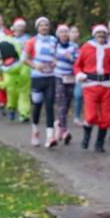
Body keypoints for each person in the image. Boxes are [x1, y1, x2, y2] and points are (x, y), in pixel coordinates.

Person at [75, 24, 110, 153]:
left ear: (106, 35)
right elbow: (77, 65)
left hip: (107, 86)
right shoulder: (86, 47)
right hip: (90, 85)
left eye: (103, 33)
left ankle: (99, 144)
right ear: (94, 35)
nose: (101, 36)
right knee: (91, 116)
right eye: (98, 33)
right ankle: (86, 137)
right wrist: (79, 75)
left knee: (106, 117)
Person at [22, 17, 59, 148]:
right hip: (37, 78)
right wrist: (35, 65)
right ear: (37, 28)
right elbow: (24, 59)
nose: (44, 27)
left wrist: (55, 61)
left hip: (50, 77)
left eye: (46, 25)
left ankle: (50, 137)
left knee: (49, 105)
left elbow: (56, 55)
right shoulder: (31, 41)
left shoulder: (54, 40)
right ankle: (35, 131)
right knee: (37, 105)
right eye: (41, 25)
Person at [53, 23, 80, 144]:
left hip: (70, 78)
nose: (64, 34)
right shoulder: (54, 46)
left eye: (66, 31)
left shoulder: (74, 46)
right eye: (61, 32)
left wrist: (71, 58)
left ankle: (58, 124)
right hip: (59, 77)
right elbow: (50, 59)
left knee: (67, 104)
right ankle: (64, 131)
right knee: (62, 104)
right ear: (58, 34)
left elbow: (79, 61)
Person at [70, 25, 84, 124]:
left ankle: (77, 116)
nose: (75, 34)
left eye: (76, 32)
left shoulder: (81, 46)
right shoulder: (63, 44)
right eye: (73, 32)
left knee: (78, 95)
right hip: (65, 74)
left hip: (77, 74)